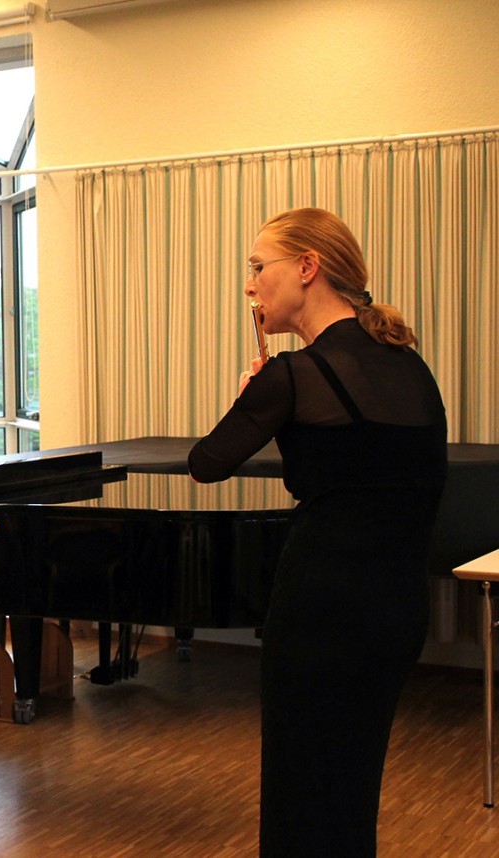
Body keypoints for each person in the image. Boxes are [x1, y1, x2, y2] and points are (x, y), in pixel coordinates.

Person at [188, 208, 447, 856]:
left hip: (320, 612)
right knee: (351, 792)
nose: (250, 286)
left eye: (257, 268)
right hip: (396, 610)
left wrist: (253, 396)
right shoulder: (410, 366)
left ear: (307, 268)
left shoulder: (292, 375)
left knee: (299, 798)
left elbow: (206, 465)